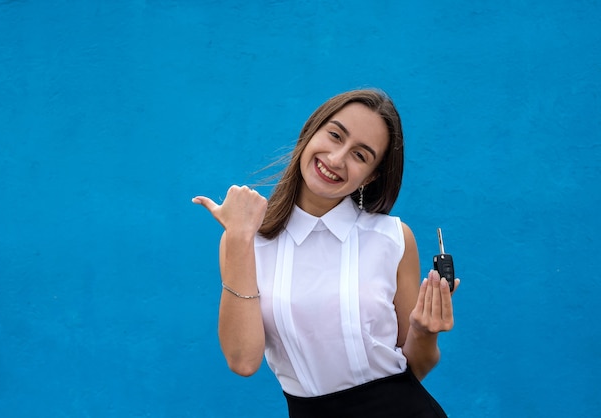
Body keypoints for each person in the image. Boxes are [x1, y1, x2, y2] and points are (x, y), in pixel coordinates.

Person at [193, 89, 460, 417]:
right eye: (335, 135)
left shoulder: (393, 239)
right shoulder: (246, 240)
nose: (336, 159)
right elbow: (242, 360)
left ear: (371, 176)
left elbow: (416, 368)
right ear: (311, 131)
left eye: (360, 155)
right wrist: (237, 237)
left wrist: (424, 331)